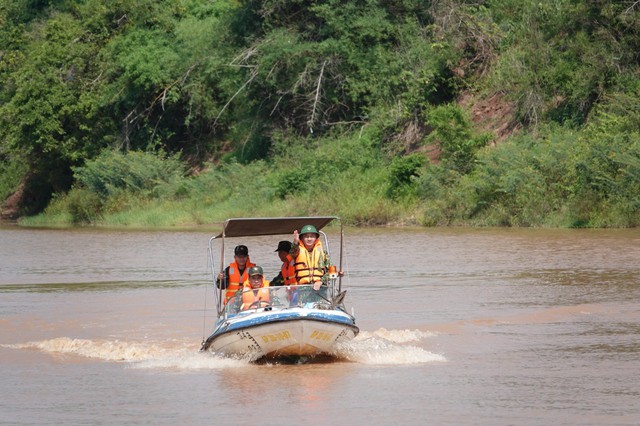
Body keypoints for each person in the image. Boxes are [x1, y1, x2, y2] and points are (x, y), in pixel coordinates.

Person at [291, 224, 335, 291]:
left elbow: (330, 272)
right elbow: (292, 253)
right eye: (306, 236)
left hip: (320, 289)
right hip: (302, 290)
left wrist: (321, 282)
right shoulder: (297, 251)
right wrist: (296, 241)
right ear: (302, 238)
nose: (309, 239)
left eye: (312, 236)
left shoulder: (323, 253)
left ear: (316, 238)